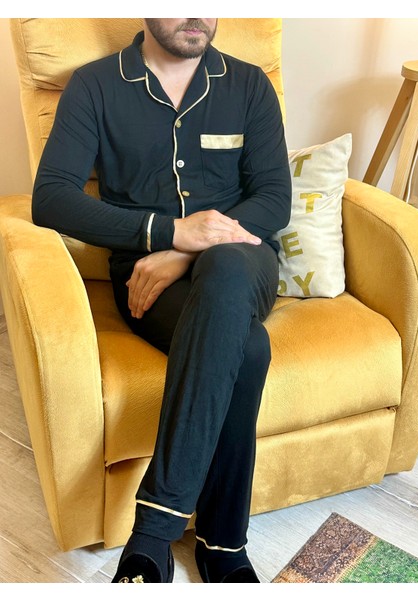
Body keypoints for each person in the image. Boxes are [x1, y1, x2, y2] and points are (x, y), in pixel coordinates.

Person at [32, 18, 292, 583]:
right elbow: (50, 197)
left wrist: (188, 250)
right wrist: (168, 233)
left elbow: (274, 198)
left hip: (243, 263)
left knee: (225, 265)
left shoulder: (249, 84)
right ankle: (223, 543)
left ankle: (152, 534)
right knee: (247, 350)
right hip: (147, 281)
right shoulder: (95, 85)